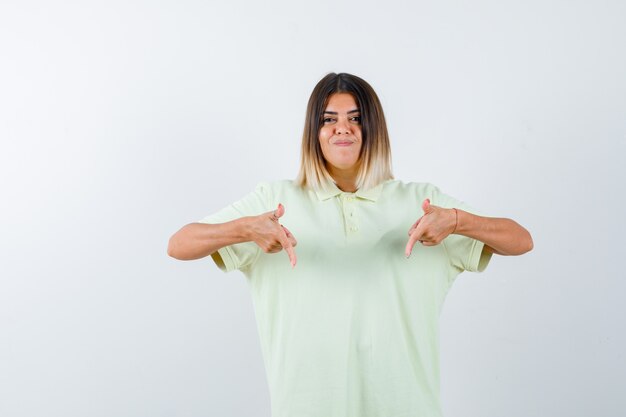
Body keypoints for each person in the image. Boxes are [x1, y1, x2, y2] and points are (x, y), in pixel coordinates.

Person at [167, 72, 533, 417]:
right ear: (314, 132)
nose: (342, 127)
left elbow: (520, 240)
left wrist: (457, 221)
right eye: (328, 119)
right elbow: (179, 244)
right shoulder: (274, 202)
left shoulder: (421, 203)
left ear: (374, 130)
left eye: (355, 118)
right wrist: (243, 229)